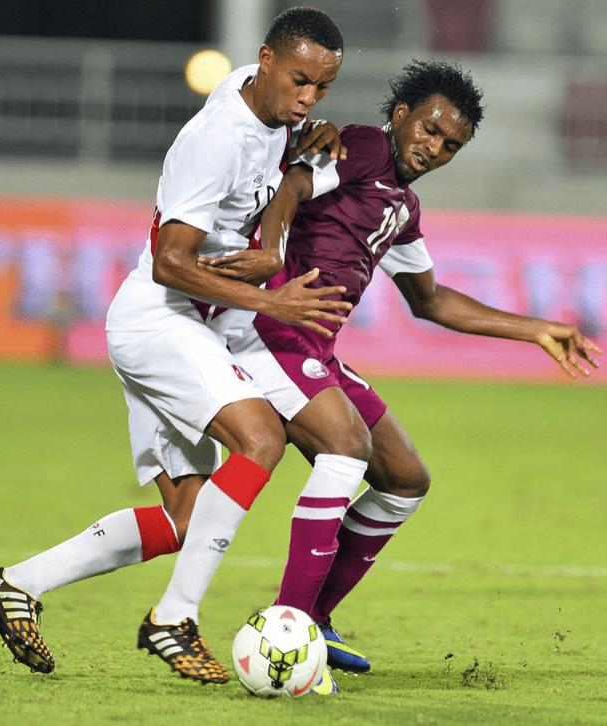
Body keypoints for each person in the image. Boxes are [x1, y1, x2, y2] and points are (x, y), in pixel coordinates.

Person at [0, 7, 350, 687]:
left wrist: (300, 152)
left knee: (183, 519)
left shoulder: (269, 109)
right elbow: (171, 260)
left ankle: (15, 584)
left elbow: (266, 174)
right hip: (161, 319)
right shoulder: (215, 140)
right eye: (299, 82)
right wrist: (272, 295)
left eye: (321, 89)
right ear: (265, 60)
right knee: (260, 437)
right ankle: (174, 618)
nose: (308, 99)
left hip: (188, 325)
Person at [199, 59, 603, 676]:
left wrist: (534, 329)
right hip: (268, 331)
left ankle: (317, 620)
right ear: (400, 115)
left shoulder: (403, 207)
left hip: (317, 349)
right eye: (430, 129)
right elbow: (294, 186)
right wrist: (271, 257)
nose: (434, 148)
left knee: (406, 479)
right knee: (346, 448)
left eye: (450, 144)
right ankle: (289, 629)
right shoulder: (361, 147)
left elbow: (430, 299)